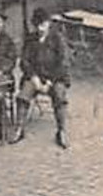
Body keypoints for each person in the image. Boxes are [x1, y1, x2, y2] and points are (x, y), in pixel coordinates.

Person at [18, 8, 72, 149]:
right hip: (35, 77)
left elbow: (63, 63)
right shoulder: (30, 39)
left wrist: (49, 82)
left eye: (43, 24)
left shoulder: (57, 38)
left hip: (55, 78)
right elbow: (24, 61)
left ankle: (61, 131)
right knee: (23, 96)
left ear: (49, 24)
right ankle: (19, 129)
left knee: (59, 96)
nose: (41, 28)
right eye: (38, 25)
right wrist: (34, 77)